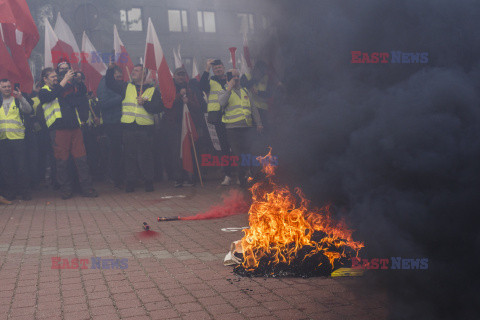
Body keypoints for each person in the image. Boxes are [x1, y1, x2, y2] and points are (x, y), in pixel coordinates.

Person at [38, 63, 98, 199]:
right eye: (52, 77)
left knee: (81, 160)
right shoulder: (44, 91)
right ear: (45, 79)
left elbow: (82, 92)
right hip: (58, 130)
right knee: (62, 162)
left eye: (55, 76)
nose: (55, 78)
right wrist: (64, 80)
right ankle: (66, 190)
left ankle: (87, 188)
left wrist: (77, 80)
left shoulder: (64, 87)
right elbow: (51, 96)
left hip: (75, 128)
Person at [106, 63, 164, 193]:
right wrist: (110, 70)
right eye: (133, 70)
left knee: (146, 156)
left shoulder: (152, 90)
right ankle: (130, 182)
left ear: (144, 74)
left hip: (145, 129)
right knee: (129, 156)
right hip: (128, 127)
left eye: (137, 71)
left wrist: (146, 104)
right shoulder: (125, 86)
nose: (134, 72)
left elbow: (158, 108)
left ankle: (148, 181)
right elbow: (110, 83)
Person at [218, 69, 263, 187]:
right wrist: (229, 88)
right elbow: (222, 103)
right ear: (228, 78)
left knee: (248, 153)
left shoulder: (245, 91)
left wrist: (258, 123)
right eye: (234, 76)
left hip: (247, 128)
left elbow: (253, 108)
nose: (237, 78)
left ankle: (247, 175)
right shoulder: (223, 91)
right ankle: (241, 179)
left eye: (238, 76)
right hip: (232, 129)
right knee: (238, 155)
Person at [199, 59, 233, 185]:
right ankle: (228, 175)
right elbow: (201, 86)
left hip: (232, 116)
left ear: (224, 68)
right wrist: (206, 69)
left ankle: (242, 173)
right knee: (224, 147)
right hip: (218, 118)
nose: (218, 69)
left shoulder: (230, 79)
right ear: (213, 70)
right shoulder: (210, 81)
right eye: (215, 68)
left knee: (235, 147)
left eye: (220, 67)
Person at [0, 79, 33, 200]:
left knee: (21, 167)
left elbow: (29, 110)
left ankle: (24, 192)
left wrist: (21, 98)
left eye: (9, 86)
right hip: (3, 140)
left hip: (18, 139)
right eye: (4, 87)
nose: (7, 88)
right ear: (0, 88)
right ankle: (10, 192)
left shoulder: (17, 100)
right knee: (6, 168)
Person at [97, 66, 124, 188]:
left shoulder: (118, 84)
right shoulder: (104, 84)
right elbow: (103, 103)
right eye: (117, 76)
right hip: (111, 121)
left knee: (121, 151)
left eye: (120, 76)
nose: (119, 78)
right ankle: (116, 178)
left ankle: (121, 176)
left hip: (122, 121)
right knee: (115, 151)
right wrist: (121, 98)